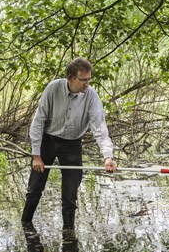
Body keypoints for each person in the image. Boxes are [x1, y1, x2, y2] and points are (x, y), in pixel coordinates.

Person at [21, 57, 117, 229]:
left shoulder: (91, 96)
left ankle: (68, 235)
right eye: (83, 80)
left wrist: (107, 157)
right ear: (71, 78)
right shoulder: (53, 88)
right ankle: (25, 224)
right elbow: (38, 121)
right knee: (34, 189)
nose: (87, 84)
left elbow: (99, 128)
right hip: (47, 141)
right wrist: (36, 155)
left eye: (89, 80)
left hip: (72, 144)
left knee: (70, 195)